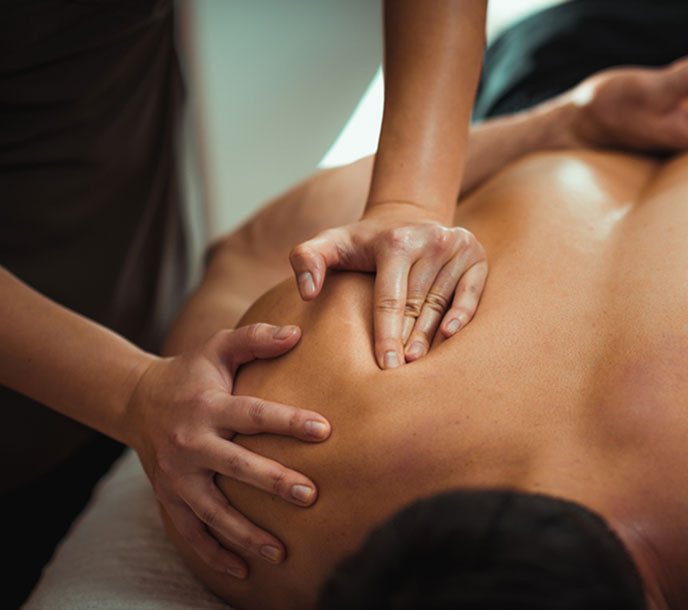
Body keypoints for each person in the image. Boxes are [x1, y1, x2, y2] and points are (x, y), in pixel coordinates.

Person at [157, 29, 688, 610]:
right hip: (556, 92)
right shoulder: (270, 507)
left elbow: (249, 252)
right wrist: (562, 119)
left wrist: (568, 118)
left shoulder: (269, 520)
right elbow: (250, 253)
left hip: (565, 93)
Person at [0, 1, 488, 606]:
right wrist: (126, 392)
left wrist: (410, 203)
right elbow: (249, 248)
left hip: (126, 241)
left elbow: (246, 249)